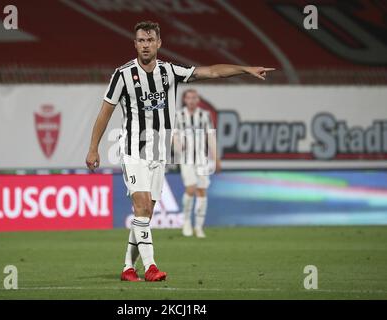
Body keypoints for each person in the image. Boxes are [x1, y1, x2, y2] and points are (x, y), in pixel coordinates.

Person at [85, 20, 275, 282]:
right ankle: (151, 267)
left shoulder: (170, 72)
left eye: (150, 40)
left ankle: (128, 268)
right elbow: (105, 112)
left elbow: (212, 72)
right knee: (140, 207)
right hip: (132, 151)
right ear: (135, 43)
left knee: (146, 214)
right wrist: (93, 148)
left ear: (159, 43)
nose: (145, 45)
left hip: (159, 154)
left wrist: (244, 69)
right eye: (141, 40)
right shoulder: (122, 75)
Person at [176, 89, 220, 238]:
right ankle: (186, 221)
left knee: (202, 190)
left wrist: (216, 159)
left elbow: (211, 137)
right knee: (191, 188)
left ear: (198, 99)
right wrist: (177, 145)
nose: (192, 100)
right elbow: (172, 135)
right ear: (184, 100)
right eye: (189, 97)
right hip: (186, 158)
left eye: (194, 97)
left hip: (201, 158)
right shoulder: (178, 116)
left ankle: (199, 227)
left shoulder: (204, 115)